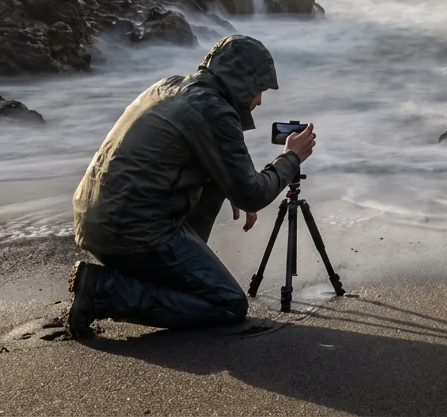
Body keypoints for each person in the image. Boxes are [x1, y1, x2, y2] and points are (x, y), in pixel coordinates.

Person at [63, 34, 316, 337]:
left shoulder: (168, 86)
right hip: (134, 232)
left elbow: (174, 157)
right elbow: (254, 195)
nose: (259, 100)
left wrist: (230, 184)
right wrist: (291, 157)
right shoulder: (213, 109)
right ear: (241, 82)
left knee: (216, 185)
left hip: (93, 218)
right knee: (229, 304)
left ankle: (175, 276)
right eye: (259, 89)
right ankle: (102, 291)